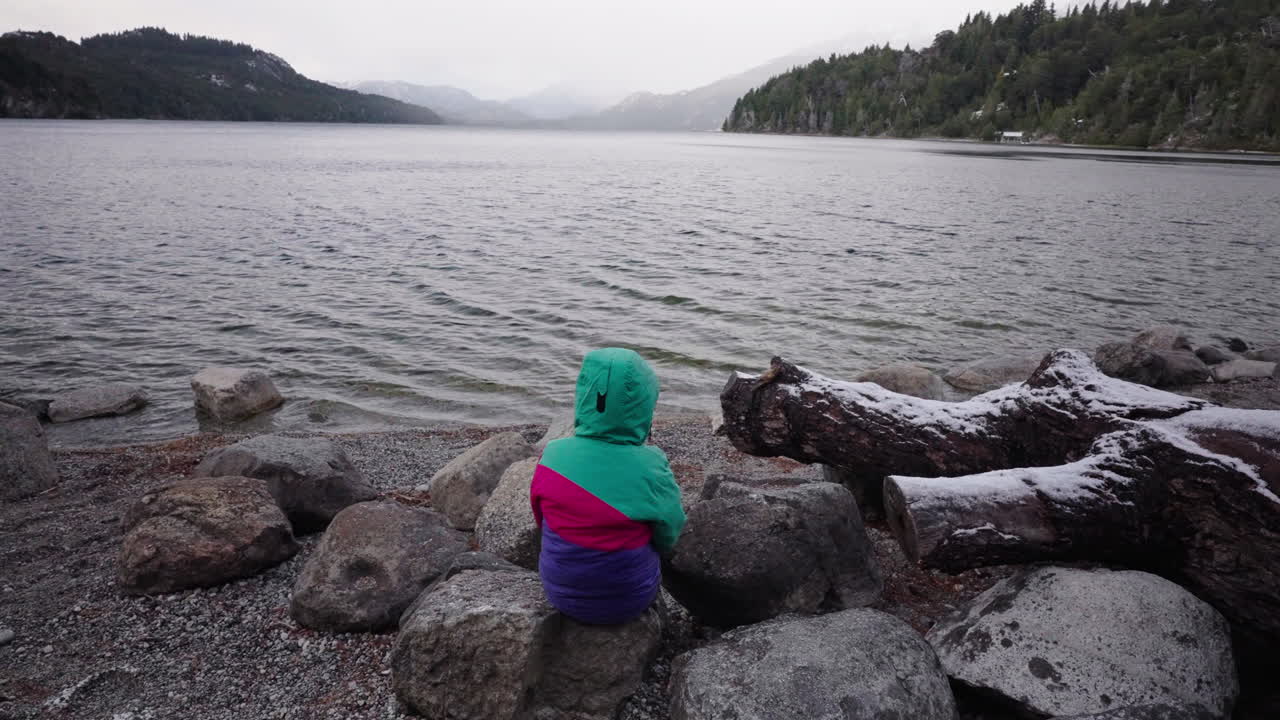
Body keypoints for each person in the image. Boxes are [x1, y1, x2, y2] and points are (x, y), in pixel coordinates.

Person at [530, 347, 686, 625]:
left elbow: (541, 518)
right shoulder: (651, 464)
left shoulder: (553, 454)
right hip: (628, 600)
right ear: (645, 406)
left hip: (560, 594)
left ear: (585, 396)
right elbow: (669, 531)